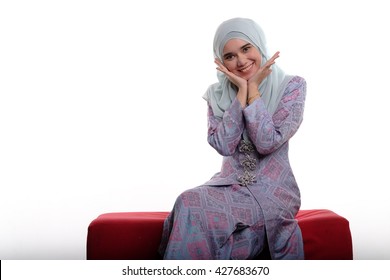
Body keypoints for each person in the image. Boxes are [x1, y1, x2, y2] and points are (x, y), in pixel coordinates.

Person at [158, 17, 306, 260]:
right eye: (229, 56)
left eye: (246, 49)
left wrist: (254, 92)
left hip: (273, 192)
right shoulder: (216, 95)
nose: (241, 61)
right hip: (229, 185)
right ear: (220, 61)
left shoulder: (292, 86)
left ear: (259, 45)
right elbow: (224, 145)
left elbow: (266, 141)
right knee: (187, 201)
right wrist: (241, 93)